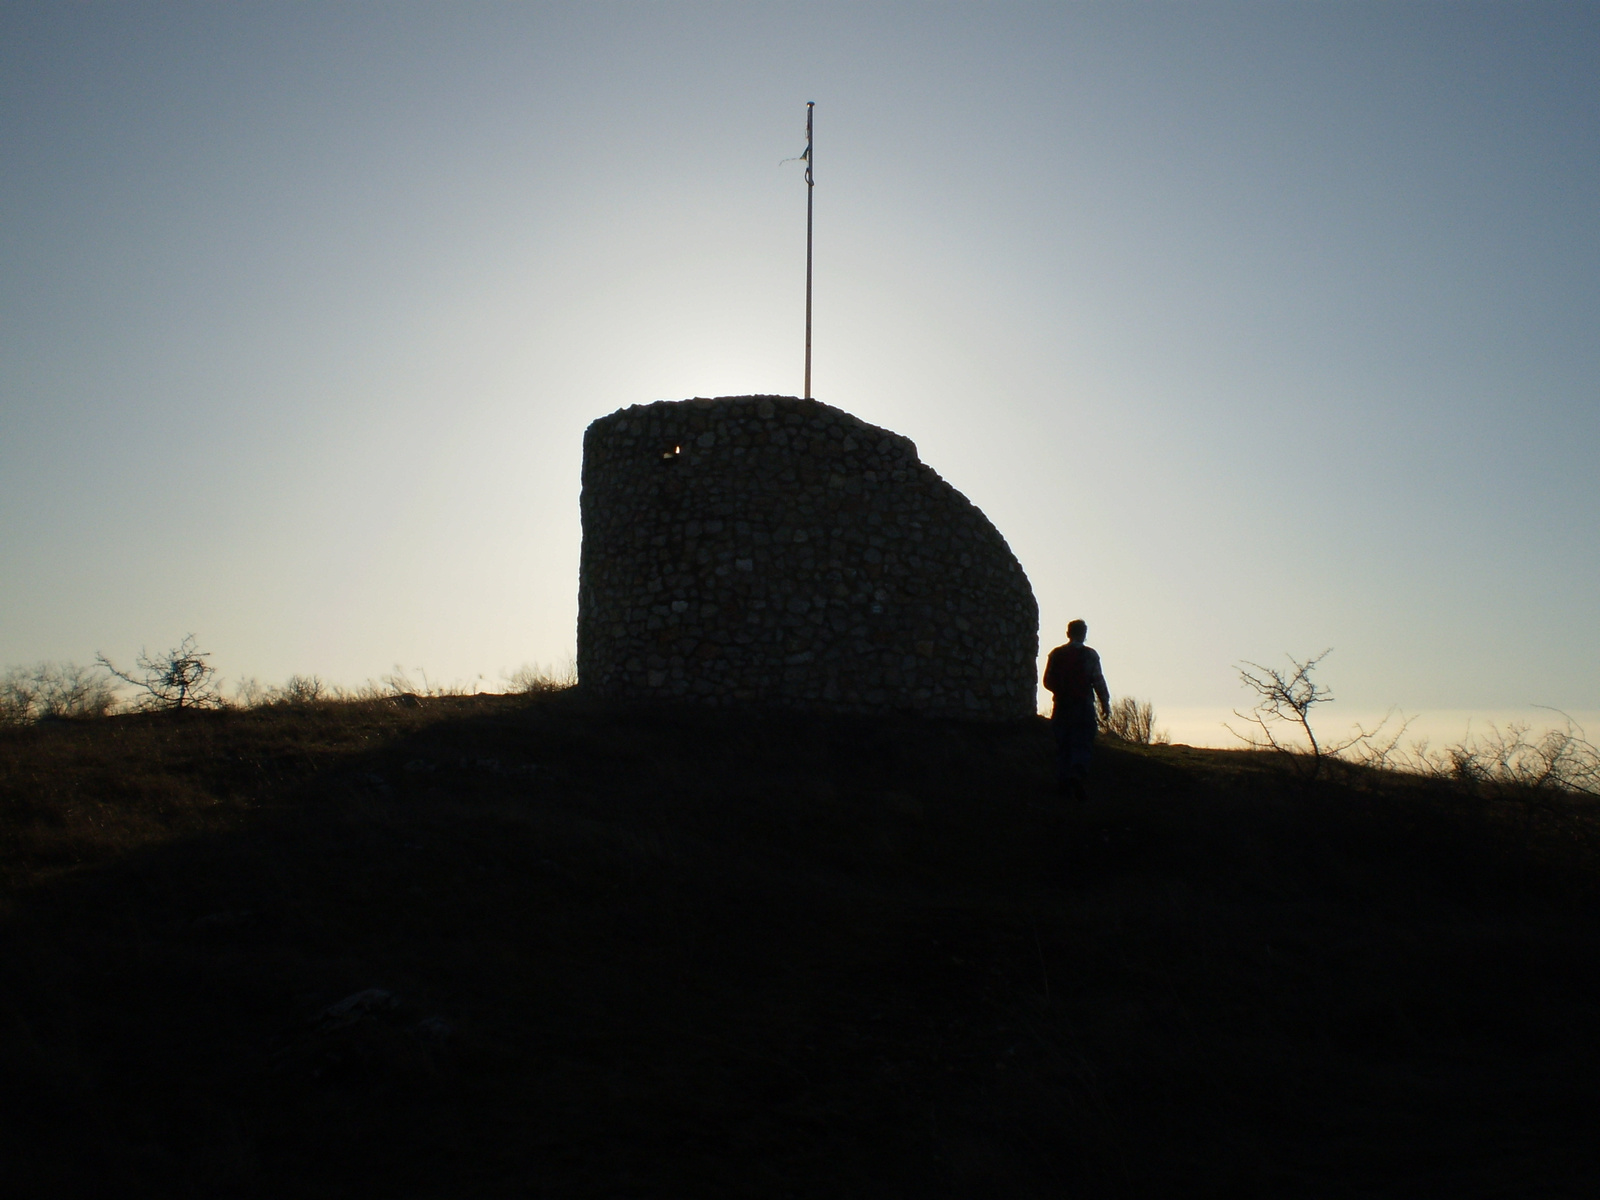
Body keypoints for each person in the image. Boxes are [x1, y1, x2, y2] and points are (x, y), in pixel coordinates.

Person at [1042, 619, 1110, 800]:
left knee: (1063, 742)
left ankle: (1063, 779)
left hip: (1062, 705)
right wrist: (1105, 703)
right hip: (1083, 705)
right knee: (1082, 742)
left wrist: (1061, 690)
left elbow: (1047, 681)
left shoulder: (1056, 654)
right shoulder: (1090, 656)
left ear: (1068, 633)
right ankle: (1077, 775)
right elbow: (1098, 680)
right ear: (1084, 634)